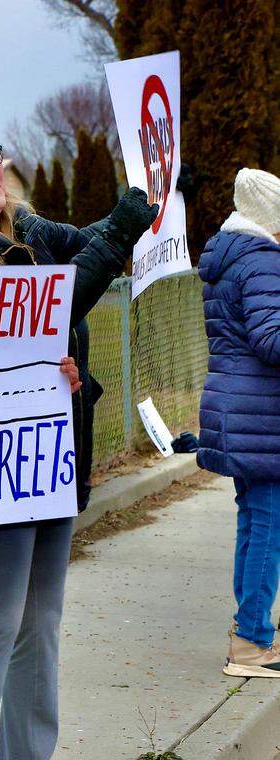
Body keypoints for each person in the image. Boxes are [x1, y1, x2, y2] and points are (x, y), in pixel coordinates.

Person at [0, 112, 157, 760]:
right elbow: (61, 301)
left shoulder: (25, 228)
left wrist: (144, 199)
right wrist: (128, 225)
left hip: (48, 460)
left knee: (39, 627)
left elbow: (86, 248)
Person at [196, 167, 280, 678]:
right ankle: (251, 640)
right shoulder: (264, 261)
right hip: (261, 412)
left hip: (238, 406)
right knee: (267, 524)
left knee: (255, 520)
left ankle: (249, 629)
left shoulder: (231, 257)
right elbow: (272, 339)